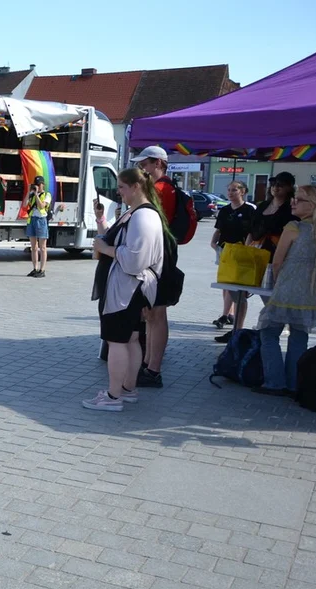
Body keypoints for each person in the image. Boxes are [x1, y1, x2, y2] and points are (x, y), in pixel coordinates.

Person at [85, 168, 166, 412]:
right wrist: (101, 223)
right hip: (131, 288)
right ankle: (127, 389)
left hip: (126, 289)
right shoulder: (137, 213)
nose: (118, 192)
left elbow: (134, 259)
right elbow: (115, 241)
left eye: (121, 187)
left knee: (117, 340)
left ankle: (113, 396)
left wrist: (106, 249)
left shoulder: (142, 216)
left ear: (136, 187)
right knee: (130, 338)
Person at [254, 185, 316, 396]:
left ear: (313, 206)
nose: (293, 202)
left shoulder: (294, 227)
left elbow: (277, 262)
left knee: (268, 331)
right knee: (299, 337)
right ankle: (294, 384)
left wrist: (275, 284)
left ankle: (275, 382)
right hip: (312, 295)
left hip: (287, 288)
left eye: (299, 200)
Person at [130, 146, 180, 389]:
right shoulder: (162, 188)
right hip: (159, 255)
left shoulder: (163, 190)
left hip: (162, 257)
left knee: (157, 314)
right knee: (150, 313)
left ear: (158, 163)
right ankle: (148, 363)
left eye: (146, 164)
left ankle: (153, 369)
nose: (143, 169)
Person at [210, 181, 255, 340]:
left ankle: (235, 319)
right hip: (225, 250)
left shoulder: (249, 210)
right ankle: (226, 314)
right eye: (229, 190)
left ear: (242, 191)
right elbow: (219, 228)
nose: (230, 193)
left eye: (234, 190)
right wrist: (213, 243)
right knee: (226, 283)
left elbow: (251, 231)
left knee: (237, 286)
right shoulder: (225, 210)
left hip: (241, 252)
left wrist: (247, 247)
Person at [248, 172, 296, 260]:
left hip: (278, 254)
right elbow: (251, 230)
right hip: (255, 252)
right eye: (273, 184)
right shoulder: (262, 206)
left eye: (280, 185)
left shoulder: (292, 208)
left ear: (289, 188)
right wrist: (246, 250)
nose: (275, 188)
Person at [25, 176, 51, 277]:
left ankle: (42, 270)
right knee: (34, 247)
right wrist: (29, 192)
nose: (37, 187)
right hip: (32, 220)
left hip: (41, 220)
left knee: (42, 247)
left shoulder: (47, 195)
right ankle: (35, 268)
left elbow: (42, 206)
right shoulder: (32, 195)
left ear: (43, 185)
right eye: (36, 185)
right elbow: (24, 204)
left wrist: (36, 194)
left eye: (39, 185)